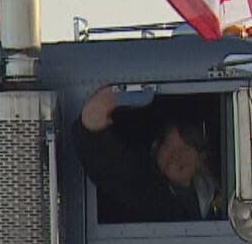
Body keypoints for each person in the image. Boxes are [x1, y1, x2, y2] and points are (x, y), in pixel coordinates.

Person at [73, 85, 221, 222]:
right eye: (168, 146)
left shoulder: (213, 194)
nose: (176, 156)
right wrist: (92, 131)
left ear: (201, 157)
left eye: (186, 148)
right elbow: (118, 171)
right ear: (156, 149)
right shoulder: (151, 193)